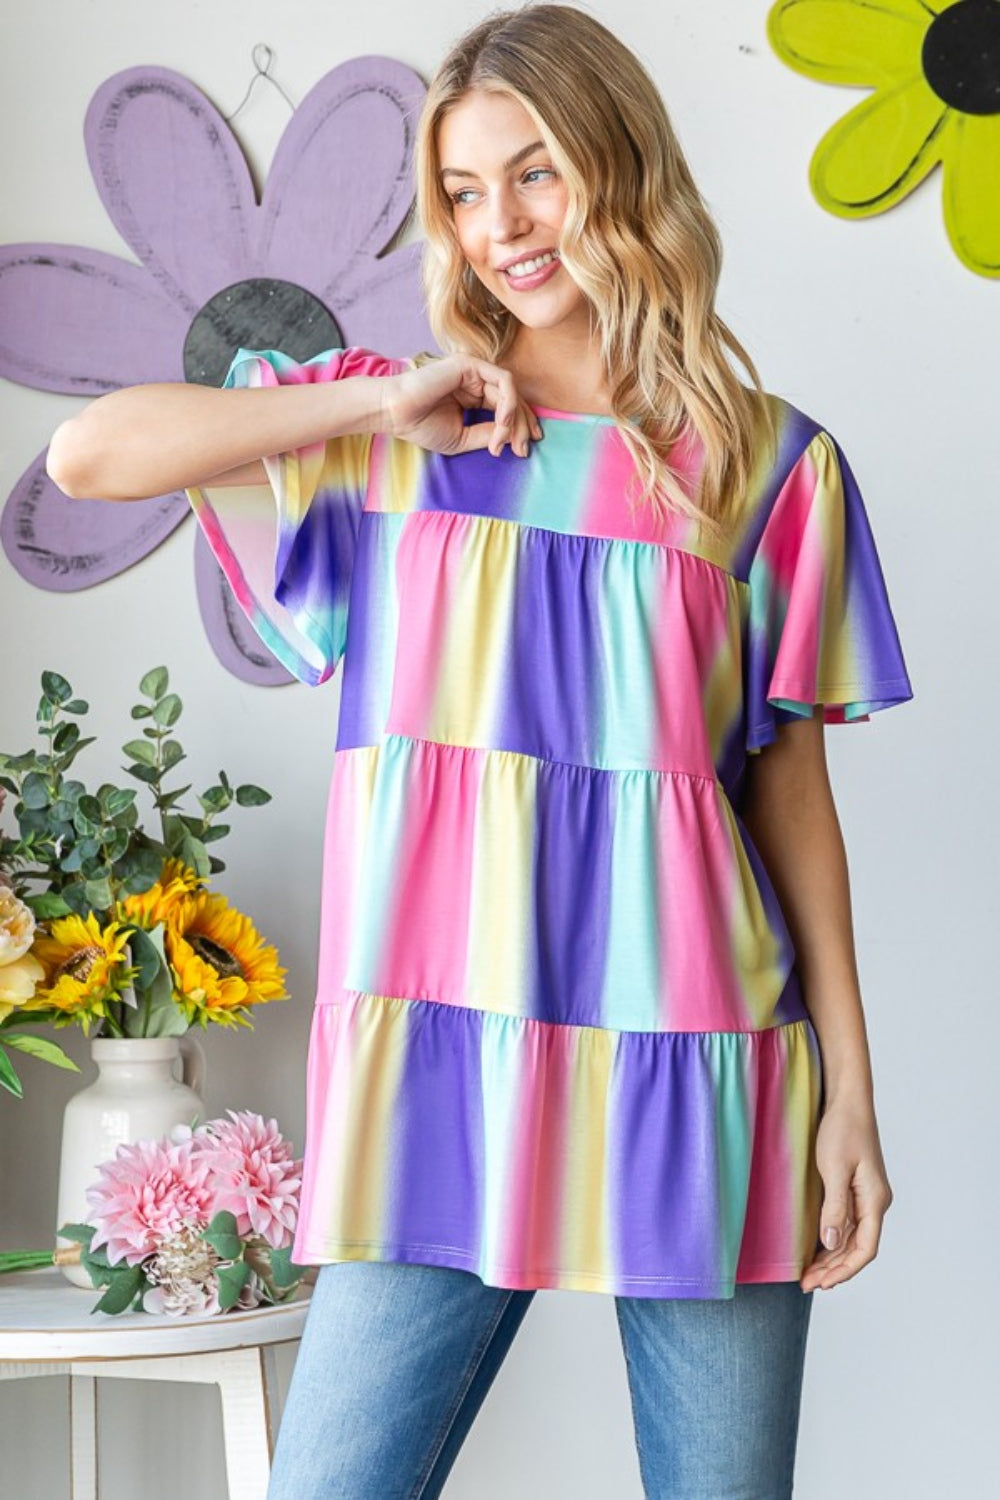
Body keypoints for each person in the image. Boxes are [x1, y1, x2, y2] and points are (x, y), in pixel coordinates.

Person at [46, 4, 914, 1495]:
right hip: (437, 1065)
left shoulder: (775, 465)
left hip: (697, 1057)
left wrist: (851, 1089)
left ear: (620, 165)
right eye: (460, 190)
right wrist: (381, 396)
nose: (500, 226)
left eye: (536, 174)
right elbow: (91, 455)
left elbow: (787, 789)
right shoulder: (398, 434)